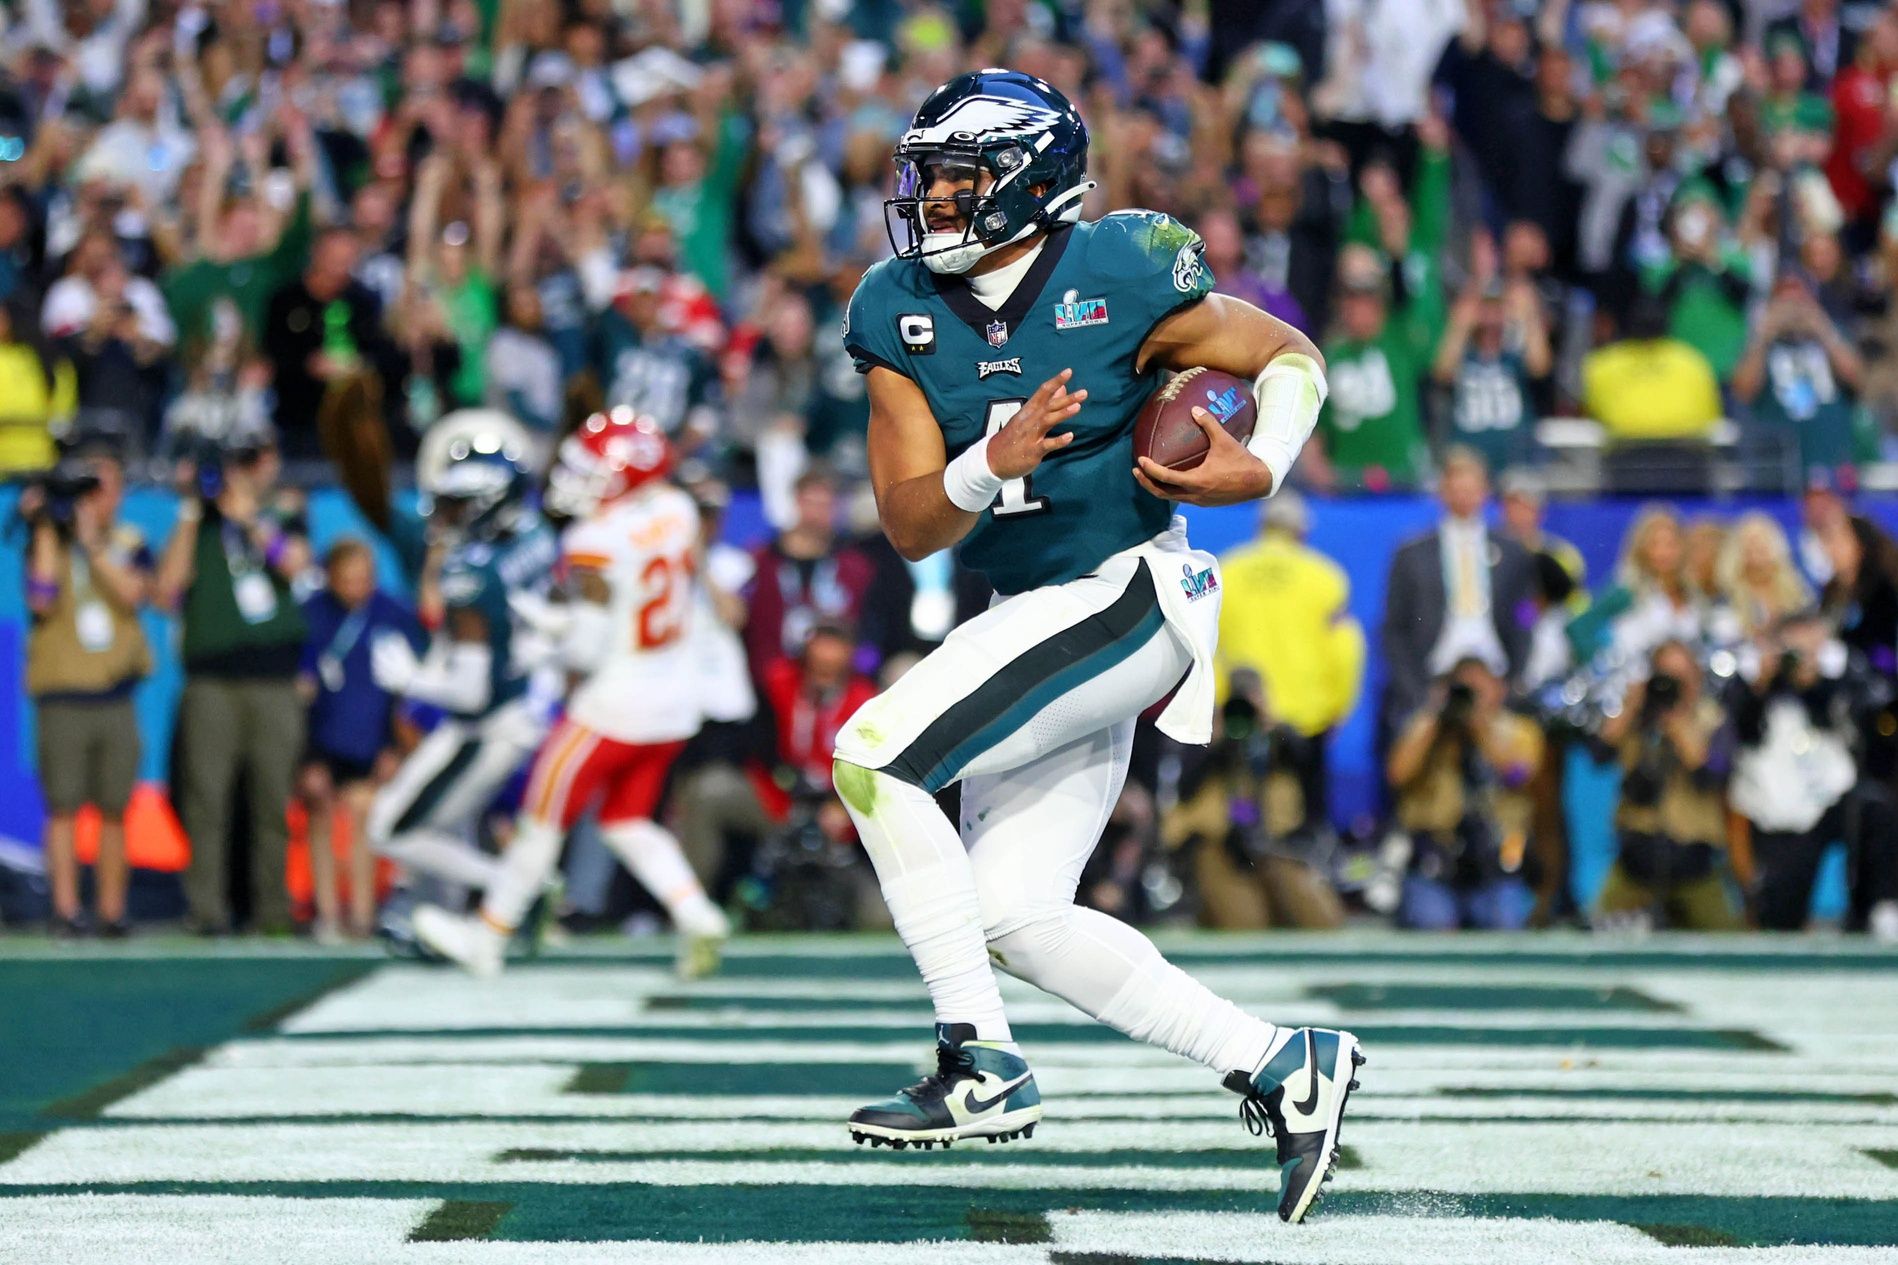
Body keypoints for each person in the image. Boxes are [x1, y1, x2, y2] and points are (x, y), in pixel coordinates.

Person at [831, 71, 1360, 1223]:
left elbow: (1290, 357)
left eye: (955, 177)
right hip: (1028, 610)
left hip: (1126, 588)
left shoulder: (1120, 265)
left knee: (871, 755)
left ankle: (978, 1061)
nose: (928, 202)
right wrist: (993, 460)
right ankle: (1280, 1061)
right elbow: (914, 520)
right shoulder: (895, 304)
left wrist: (1259, 461)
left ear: (1026, 178)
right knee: (1014, 916)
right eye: (924, 177)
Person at [415, 410, 731, 977]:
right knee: (625, 821)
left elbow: (586, 648)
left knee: (541, 816)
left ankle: (485, 938)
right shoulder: (677, 510)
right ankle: (697, 913)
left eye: (591, 468)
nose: (576, 477)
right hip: (675, 698)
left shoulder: (595, 538)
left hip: (616, 701)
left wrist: (545, 637)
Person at [363, 434, 559, 920]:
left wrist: (412, 680)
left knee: (393, 829)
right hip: (525, 706)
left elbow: (470, 691)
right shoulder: (534, 539)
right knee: (440, 825)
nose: (442, 516)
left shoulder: (470, 572)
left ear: (483, 505)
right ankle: (474, 906)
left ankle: (515, 891)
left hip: (488, 723)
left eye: (454, 504)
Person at [156, 425, 311, 935]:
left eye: (253, 460)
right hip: (212, 680)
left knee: (271, 800)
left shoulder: (284, 510)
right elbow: (166, 591)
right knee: (208, 800)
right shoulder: (198, 523)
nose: (243, 473)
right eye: (235, 463)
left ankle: (271, 908)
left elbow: (295, 568)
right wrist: (192, 510)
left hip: (273, 679)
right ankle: (208, 910)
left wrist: (253, 523)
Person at [21, 449, 152, 936]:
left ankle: (112, 911)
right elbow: (42, 595)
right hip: (61, 693)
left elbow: (133, 593)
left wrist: (92, 543)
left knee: (116, 808)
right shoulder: (47, 540)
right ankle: (66, 908)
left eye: (102, 487)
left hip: (114, 692)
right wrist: (47, 528)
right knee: (63, 806)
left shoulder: (127, 541)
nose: (94, 499)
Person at [297, 540, 421, 942]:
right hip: (325, 739)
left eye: (364, 578)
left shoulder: (391, 613)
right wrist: (307, 757)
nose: (357, 587)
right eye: (348, 579)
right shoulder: (311, 616)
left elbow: (405, 690)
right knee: (321, 821)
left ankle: (364, 914)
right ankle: (328, 913)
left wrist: (395, 747)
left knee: (365, 823)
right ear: (330, 576)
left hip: (372, 739)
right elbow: (301, 694)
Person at [1215, 491, 1364, 819]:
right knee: (1302, 823)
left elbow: (1208, 647)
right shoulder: (1325, 578)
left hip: (1239, 713)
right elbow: (1346, 650)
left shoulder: (1226, 572)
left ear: (1261, 526)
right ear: (1302, 531)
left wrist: (1217, 704)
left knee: (1233, 817)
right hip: (1304, 719)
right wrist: (1338, 708)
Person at [1164, 671, 1345, 931]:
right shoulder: (1206, 736)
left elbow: (1310, 770)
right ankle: (1209, 909)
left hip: (1276, 847)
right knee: (1245, 925)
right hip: (1221, 849)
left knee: (1321, 920)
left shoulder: (1279, 740)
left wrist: (1276, 730)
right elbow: (1184, 788)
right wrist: (1218, 738)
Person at [1379, 448, 1535, 747]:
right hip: (1433, 677)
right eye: (1456, 488)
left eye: (1471, 488)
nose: (1464, 496)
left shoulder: (1513, 553)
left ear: (1485, 492)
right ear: (1442, 492)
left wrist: (1512, 685)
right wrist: (1417, 693)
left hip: (1494, 675)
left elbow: (1523, 620)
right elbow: (1394, 629)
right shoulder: (1412, 554)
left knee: (1516, 759)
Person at [1385, 656, 1543, 932]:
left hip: (1495, 869)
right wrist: (1435, 719)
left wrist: (1480, 727)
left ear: (1498, 690)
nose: (1469, 698)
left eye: (1477, 690)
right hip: (1435, 867)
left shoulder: (1519, 731)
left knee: (1504, 926)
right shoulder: (1427, 729)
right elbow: (1396, 775)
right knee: (1433, 925)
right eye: (1462, 690)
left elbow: (1519, 776)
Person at [1594, 641, 1743, 931]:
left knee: (1728, 944)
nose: (1674, 685)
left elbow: (1711, 776)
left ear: (1696, 679)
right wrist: (1631, 706)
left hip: (1694, 864)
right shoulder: (1637, 719)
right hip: (1637, 861)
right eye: (1666, 676)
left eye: (1682, 677)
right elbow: (1599, 753)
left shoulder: (1713, 720)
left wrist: (1677, 724)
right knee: (1599, 938)